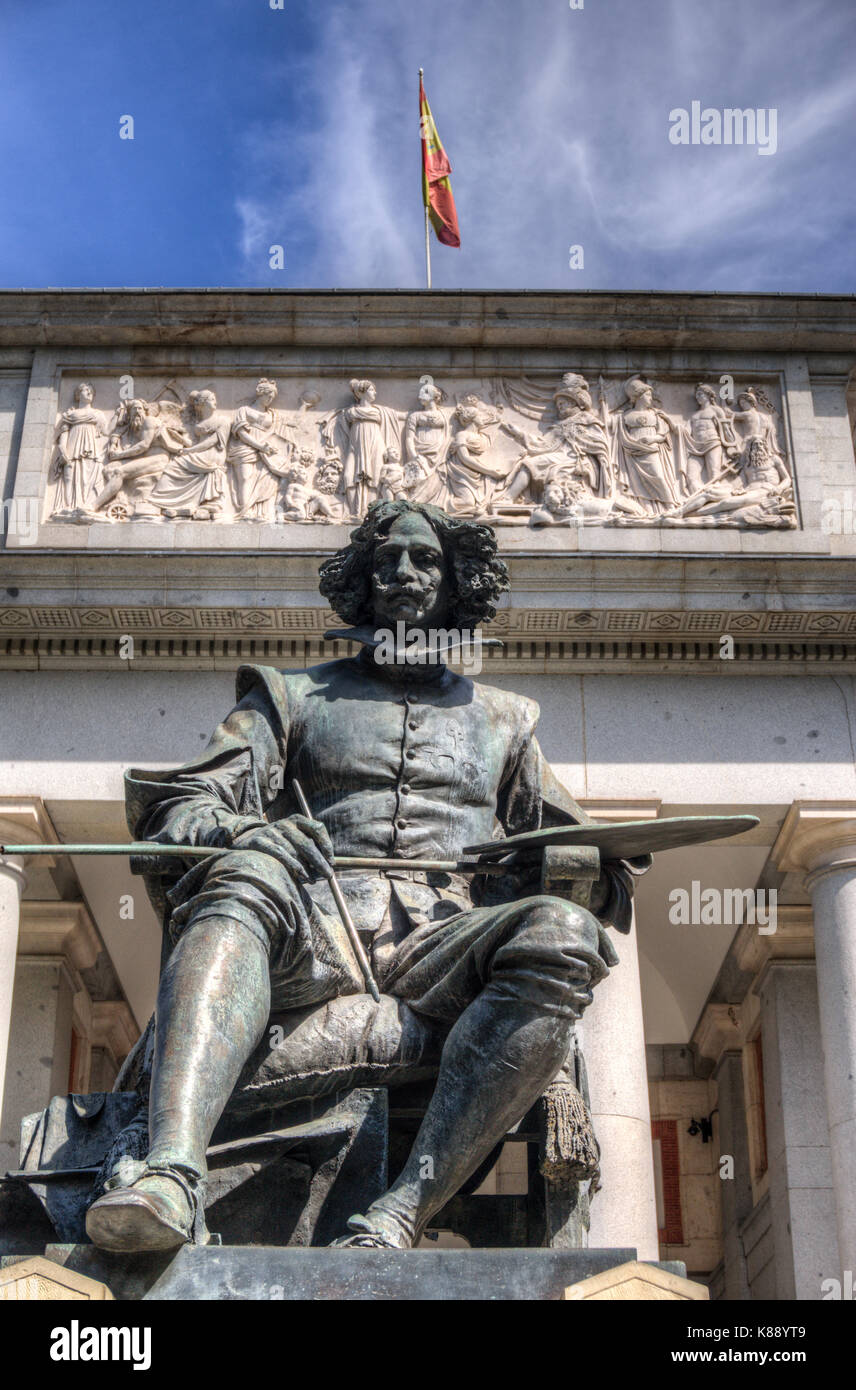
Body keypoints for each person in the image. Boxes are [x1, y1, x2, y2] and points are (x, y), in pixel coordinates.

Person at [85, 501, 640, 1253]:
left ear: (456, 586)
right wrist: (251, 830)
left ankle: (401, 1211)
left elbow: (601, 875)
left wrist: (564, 868)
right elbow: (180, 806)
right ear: (362, 581)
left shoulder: (510, 721)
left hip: (449, 946)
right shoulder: (289, 697)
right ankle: (171, 1176)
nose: (404, 575)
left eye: (425, 561)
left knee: (565, 932)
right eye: (386, 562)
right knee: (246, 873)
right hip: (311, 938)